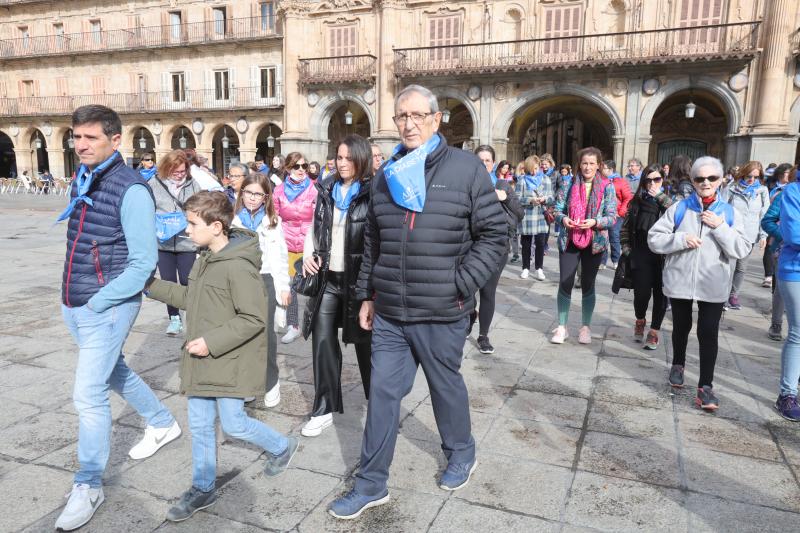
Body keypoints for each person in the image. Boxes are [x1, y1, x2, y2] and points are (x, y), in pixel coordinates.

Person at [328, 85, 507, 519]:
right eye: (401, 116)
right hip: (390, 310)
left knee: (445, 387)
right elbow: (375, 238)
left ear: (435, 119)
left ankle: (461, 452)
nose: (408, 124)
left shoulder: (465, 170)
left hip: (442, 309)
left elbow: (495, 235)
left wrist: (460, 283)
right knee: (384, 394)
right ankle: (371, 483)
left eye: (416, 115)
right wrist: (368, 294)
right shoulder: (389, 173)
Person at [55, 105, 179, 531]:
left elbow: (143, 263)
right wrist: (73, 301)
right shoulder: (83, 177)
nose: (81, 145)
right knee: (113, 373)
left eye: (90, 137)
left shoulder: (131, 190)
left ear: (115, 140)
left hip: (104, 307)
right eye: (76, 137)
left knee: (87, 395)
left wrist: (98, 302)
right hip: (76, 301)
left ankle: (89, 483)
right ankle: (162, 423)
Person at [145, 191, 299, 522]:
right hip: (202, 360)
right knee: (200, 426)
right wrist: (151, 286)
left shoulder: (238, 266)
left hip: (227, 361)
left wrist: (210, 342)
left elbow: (253, 319)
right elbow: (191, 297)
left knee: (234, 423)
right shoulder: (205, 259)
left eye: (192, 223)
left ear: (216, 226)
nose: (187, 230)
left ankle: (281, 446)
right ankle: (202, 489)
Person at [648, 156, 751, 411]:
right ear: (692, 181)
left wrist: (719, 228)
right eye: (699, 178)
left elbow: (742, 248)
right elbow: (654, 238)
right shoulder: (680, 208)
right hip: (680, 280)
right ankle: (678, 364)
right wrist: (681, 239)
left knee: (708, 332)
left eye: (711, 178)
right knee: (681, 326)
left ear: (720, 180)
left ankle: (706, 387)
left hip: (713, 283)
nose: (705, 182)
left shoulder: (729, 213)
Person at [299, 135, 373, 437]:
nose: (342, 163)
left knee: (368, 349)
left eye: (347, 157)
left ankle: (378, 408)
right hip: (328, 279)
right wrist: (307, 255)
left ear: (360, 158)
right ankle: (324, 408)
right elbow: (315, 225)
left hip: (361, 283)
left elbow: (378, 239)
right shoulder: (326, 187)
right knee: (322, 343)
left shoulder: (374, 191)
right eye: (338, 157)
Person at [231, 173, 289, 408]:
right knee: (241, 333)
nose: (252, 198)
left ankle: (271, 380)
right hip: (238, 281)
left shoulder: (273, 221)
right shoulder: (231, 220)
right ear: (241, 192)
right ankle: (247, 382)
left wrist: (284, 287)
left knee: (265, 335)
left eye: (258, 194)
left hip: (264, 279)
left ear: (266, 197)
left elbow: (281, 257)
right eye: (248, 192)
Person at [550, 147, 617, 345]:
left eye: (591, 163)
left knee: (588, 284)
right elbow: (557, 209)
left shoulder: (607, 186)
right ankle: (562, 327)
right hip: (569, 239)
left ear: (599, 165)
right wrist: (563, 220)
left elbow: (612, 216)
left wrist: (595, 222)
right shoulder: (568, 184)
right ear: (579, 164)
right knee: (565, 282)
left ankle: (585, 327)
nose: (587, 167)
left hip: (594, 242)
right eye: (584, 163)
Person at [473, 145, 524, 353]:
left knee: (487, 291)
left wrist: (505, 197)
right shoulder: (467, 185)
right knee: (467, 290)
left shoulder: (503, 185)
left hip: (497, 247)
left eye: (487, 160)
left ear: (493, 164)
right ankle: (468, 317)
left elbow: (519, 212)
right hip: (472, 245)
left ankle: (483, 335)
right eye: (480, 160)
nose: (484, 163)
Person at [148, 149, 203, 336]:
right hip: (163, 243)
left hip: (187, 241)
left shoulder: (193, 184)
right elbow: (147, 209)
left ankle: (192, 315)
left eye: (183, 171)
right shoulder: (154, 184)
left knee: (188, 279)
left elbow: (201, 207)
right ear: (167, 169)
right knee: (169, 282)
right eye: (176, 171)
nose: (180, 175)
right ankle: (174, 318)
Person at [620, 164, 672, 349]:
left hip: (662, 257)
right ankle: (640, 320)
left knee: (661, 296)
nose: (652, 184)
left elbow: (677, 218)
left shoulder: (668, 202)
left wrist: (658, 196)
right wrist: (627, 250)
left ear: (662, 180)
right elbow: (625, 228)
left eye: (656, 179)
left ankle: (654, 332)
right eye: (648, 180)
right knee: (641, 295)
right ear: (643, 181)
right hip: (640, 254)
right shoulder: (636, 202)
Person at [273, 151, 317, 343]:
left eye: (304, 166)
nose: (301, 170)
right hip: (288, 244)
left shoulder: (315, 189)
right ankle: (293, 325)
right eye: (296, 166)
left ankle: (315, 322)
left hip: (310, 245)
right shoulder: (279, 191)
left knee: (314, 286)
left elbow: (320, 218)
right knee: (289, 286)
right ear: (288, 168)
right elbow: (273, 217)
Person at [724, 161, 770, 310]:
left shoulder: (762, 191)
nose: (752, 180)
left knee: (741, 268)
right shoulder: (732, 188)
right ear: (743, 174)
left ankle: (733, 295)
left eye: (756, 177)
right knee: (728, 266)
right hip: (732, 233)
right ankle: (722, 296)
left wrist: (763, 235)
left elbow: (764, 215)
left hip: (749, 235)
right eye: (749, 176)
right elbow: (721, 207)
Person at [772, 180, 800, 420]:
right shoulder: (793, 191)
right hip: (795, 270)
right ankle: (787, 394)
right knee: (798, 332)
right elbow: (793, 233)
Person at [517, 154, 552, 281]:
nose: (534, 171)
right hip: (527, 216)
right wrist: (530, 200)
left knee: (540, 243)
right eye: (532, 168)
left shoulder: (546, 180)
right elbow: (517, 198)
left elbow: (551, 197)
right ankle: (525, 268)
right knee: (525, 243)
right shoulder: (522, 180)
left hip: (541, 215)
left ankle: (539, 269)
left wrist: (544, 199)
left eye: (536, 168)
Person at [762, 184, 789, 341]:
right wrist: (785, 235)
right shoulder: (786, 195)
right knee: (781, 288)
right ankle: (776, 323)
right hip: (786, 250)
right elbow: (767, 221)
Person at [763, 163, 794, 289]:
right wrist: (782, 236)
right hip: (780, 237)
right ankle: (768, 275)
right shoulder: (779, 191)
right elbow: (767, 219)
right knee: (780, 288)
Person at [601, 159, 633, 269]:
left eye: (603, 168)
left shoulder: (621, 181)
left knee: (614, 238)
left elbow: (628, 198)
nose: (601, 169)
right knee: (603, 237)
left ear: (610, 169)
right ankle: (602, 262)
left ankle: (615, 260)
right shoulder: (600, 180)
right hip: (603, 214)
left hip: (617, 215)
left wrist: (621, 212)